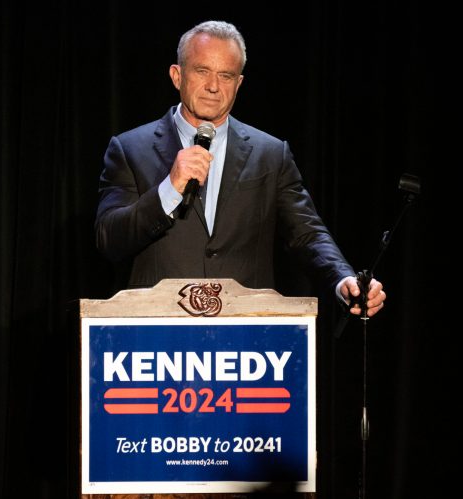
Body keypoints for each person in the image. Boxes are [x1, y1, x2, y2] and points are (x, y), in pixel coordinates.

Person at [95, 20, 385, 317]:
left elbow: (306, 234)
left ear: (239, 83)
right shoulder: (130, 149)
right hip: (155, 332)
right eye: (202, 71)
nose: (213, 86)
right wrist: (168, 189)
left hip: (245, 335)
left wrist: (342, 279)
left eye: (226, 75)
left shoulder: (271, 154)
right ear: (177, 76)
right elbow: (110, 239)